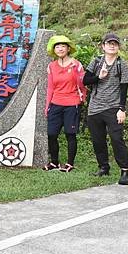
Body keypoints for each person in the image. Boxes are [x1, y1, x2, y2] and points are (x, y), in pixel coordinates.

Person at [83, 33, 128, 185]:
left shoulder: (121, 64)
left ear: (118, 47)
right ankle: (103, 167)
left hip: (113, 107)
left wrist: (122, 109)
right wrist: (99, 77)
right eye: (109, 43)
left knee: (117, 139)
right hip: (95, 107)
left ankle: (125, 169)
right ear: (103, 46)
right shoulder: (96, 61)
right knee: (98, 140)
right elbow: (85, 80)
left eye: (115, 44)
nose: (112, 46)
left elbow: (124, 88)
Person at [43, 35, 86, 172]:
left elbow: (82, 84)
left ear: (68, 48)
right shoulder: (51, 66)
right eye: (57, 46)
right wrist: (47, 106)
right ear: (54, 50)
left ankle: (70, 163)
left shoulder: (76, 64)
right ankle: (54, 162)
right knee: (52, 134)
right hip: (55, 103)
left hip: (72, 104)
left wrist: (81, 100)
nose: (60, 49)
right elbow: (50, 87)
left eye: (63, 46)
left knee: (70, 134)